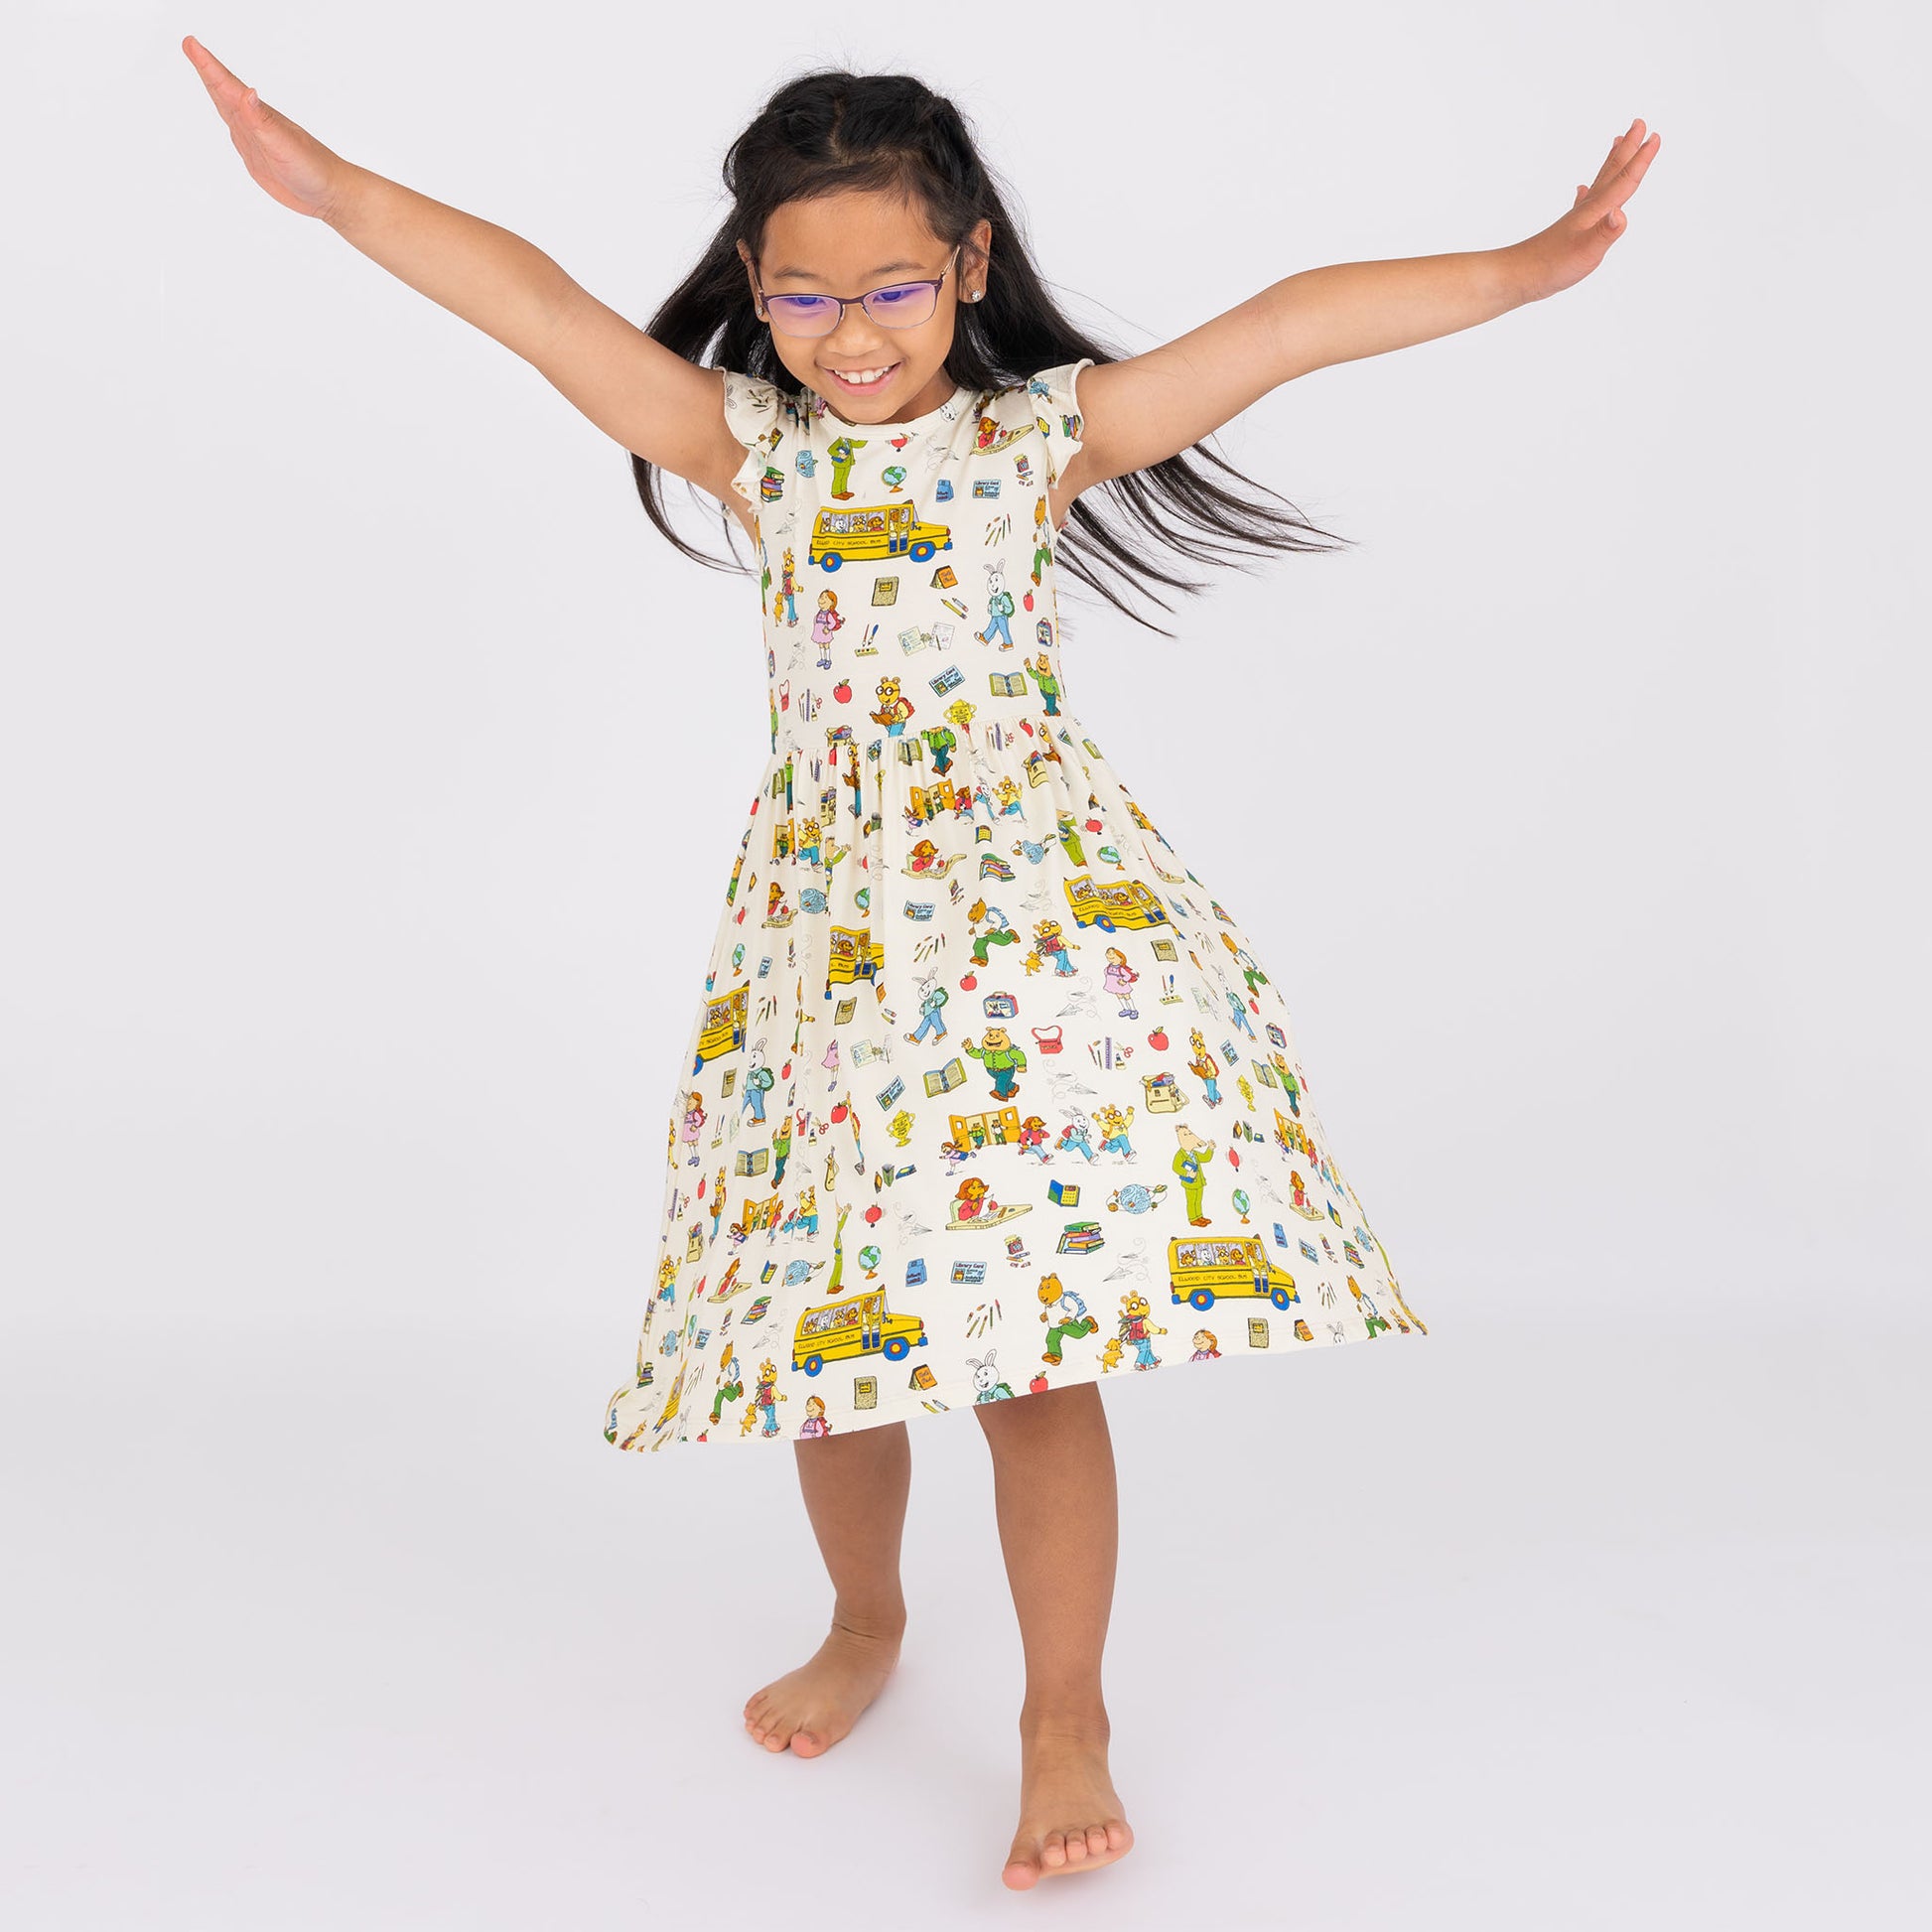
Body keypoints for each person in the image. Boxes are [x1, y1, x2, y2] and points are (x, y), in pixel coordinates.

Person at [183, 43, 1658, 1889]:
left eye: (889, 286)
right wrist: (332, 190)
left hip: (1031, 941)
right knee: (831, 1347)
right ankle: (866, 1617)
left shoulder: (1039, 434)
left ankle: (1063, 1713)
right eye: (799, 294)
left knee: (1033, 1361)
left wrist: (1528, 263)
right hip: (825, 957)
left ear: (966, 264)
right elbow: (539, 308)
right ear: (753, 292)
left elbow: (1285, 322)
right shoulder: (752, 452)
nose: (847, 332)